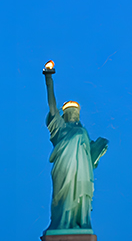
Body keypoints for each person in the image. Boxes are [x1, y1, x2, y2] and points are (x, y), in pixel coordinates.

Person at [44, 64, 108, 231]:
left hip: (82, 171)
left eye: (76, 111)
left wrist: (98, 150)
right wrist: (48, 79)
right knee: (63, 197)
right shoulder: (60, 128)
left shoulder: (83, 131)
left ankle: (83, 223)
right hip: (65, 169)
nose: (75, 114)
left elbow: (89, 154)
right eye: (71, 111)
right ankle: (62, 225)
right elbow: (52, 106)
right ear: (64, 115)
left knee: (82, 196)